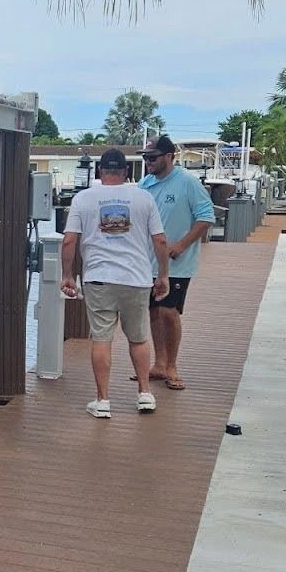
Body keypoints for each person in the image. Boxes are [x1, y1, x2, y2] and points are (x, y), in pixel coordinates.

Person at [61, 148, 170, 418]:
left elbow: (69, 240)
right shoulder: (144, 198)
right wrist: (163, 275)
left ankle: (103, 401)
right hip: (137, 278)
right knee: (139, 338)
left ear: (99, 171)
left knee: (101, 340)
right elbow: (160, 241)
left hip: (99, 278)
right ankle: (145, 394)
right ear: (126, 172)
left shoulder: (83, 198)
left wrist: (67, 275)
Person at [139, 135, 216, 391]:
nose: (148, 162)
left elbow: (206, 218)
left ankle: (172, 365)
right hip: (148, 263)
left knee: (168, 313)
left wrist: (182, 245)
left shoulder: (187, 183)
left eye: (153, 157)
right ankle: (159, 363)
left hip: (176, 264)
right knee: (153, 311)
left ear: (169, 156)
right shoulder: (145, 184)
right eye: (145, 158)